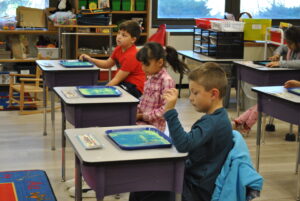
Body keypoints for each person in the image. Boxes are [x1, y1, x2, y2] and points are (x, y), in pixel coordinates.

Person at [129, 62, 234, 201]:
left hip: (195, 188)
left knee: (145, 184)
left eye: (195, 93)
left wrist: (170, 111)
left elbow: (183, 144)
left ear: (214, 94)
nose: (190, 98)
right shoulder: (218, 118)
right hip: (194, 179)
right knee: (144, 183)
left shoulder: (212, 122)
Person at [234, 26, 300, 134]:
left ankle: (243, 123)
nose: (287, 45)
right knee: (263, 102)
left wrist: (280, 63)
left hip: (295, 86)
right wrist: (277, 54)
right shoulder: (290, 47)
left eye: (289, 43)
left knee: (265, 103)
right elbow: (282, 48)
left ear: (297, 42)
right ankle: (241, 122)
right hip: (289, 83)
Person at [79, 20, 146, 98]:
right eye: (119, 33)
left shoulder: (132, 55)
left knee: (102, 93)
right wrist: (90, 59)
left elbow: (117, 79)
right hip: (122, 83)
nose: (119, 37)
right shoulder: (118, 49)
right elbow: (107, 64)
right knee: (95, 87)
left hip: (134, 88)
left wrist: (100, 92)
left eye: (124, 35)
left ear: (133, 39)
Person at [136, 42, 189, 131]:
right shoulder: (150, 77)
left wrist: (142, 116)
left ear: (160, 62)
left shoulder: (166, 80)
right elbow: (144, 100)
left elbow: (165, 109)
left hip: (154, 128)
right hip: (141, 122)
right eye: (142, 64)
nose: (143, 68)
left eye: (146, 64)